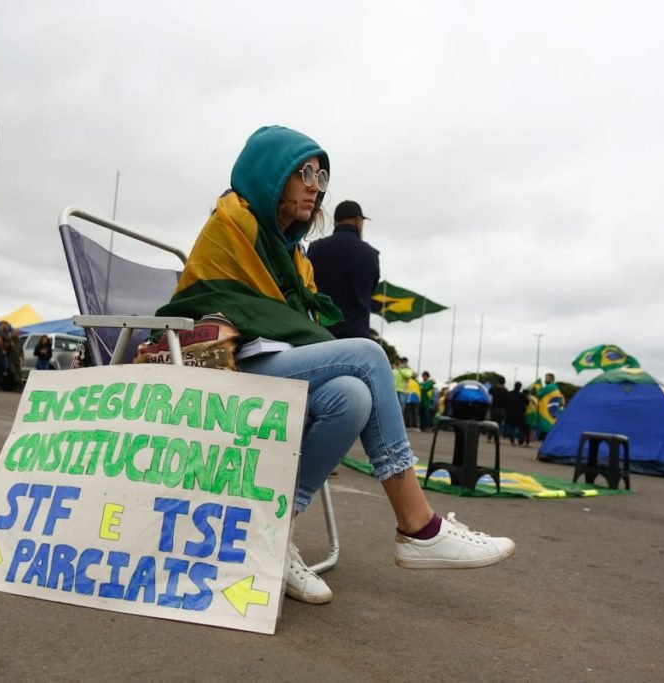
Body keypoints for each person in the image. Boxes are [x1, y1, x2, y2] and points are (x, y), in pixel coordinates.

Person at [154, 125, 514, 605]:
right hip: (222, 370)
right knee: (366, 354)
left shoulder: (292, 253)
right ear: (270, 173)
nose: (316, 185)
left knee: (353, 396)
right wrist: (307, 336)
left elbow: (282, 323)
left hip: (266, 362)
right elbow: (221, 303)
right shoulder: (233, 222)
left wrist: (300, 333)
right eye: (303, 172)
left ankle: (275, 533)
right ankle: (418, 525)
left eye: (321, 175)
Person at [306, 199, 379, 339]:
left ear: (335, 222)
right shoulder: (370, 254)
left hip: (320, 336)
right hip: (356, 339)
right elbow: (369, 291)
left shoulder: (316, 249)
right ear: (358, 221)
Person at [506, 381, 529, 446]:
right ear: (520, 387)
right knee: (520, 428)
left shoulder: (509, 394)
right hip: (520, 414)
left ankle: (512, 441)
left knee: (512, 427)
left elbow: (506, 402)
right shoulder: (522, 395)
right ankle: (520, 441)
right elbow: (527, 402)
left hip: (510, 413)